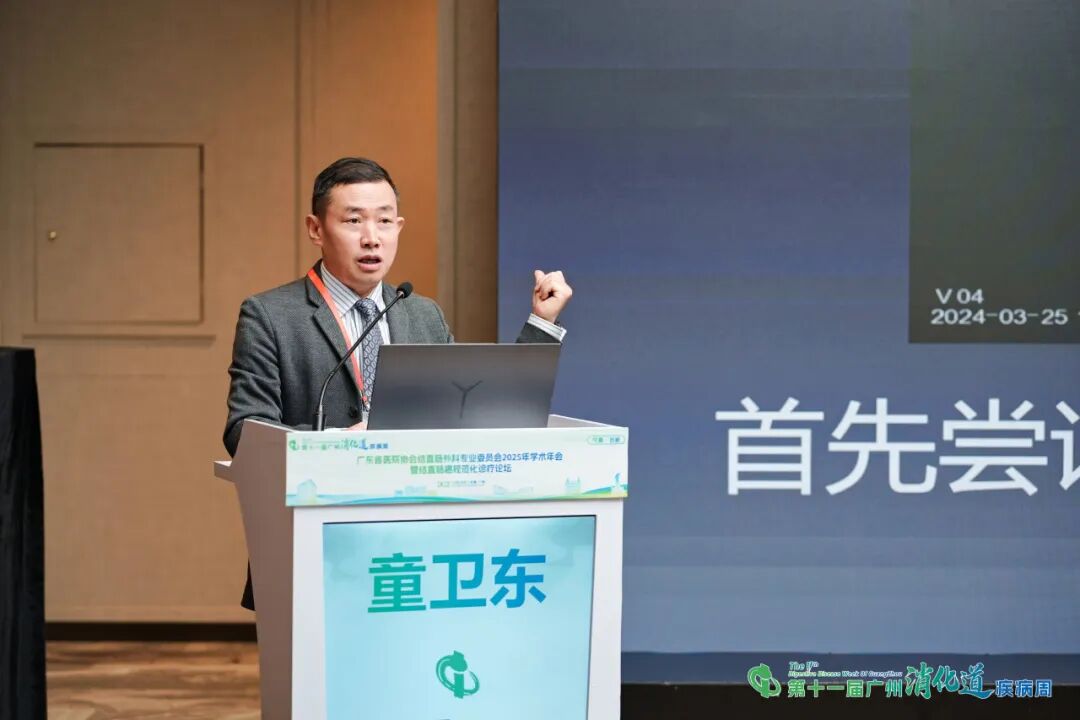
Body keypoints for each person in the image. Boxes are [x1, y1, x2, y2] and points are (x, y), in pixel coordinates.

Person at [223, 156, 573, 608]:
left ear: (399, 227)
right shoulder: (270, 316)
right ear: (316, 229)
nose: (372, 237)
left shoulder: (422, 314)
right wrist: (336, 445)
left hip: (418, 549)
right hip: (318, 545)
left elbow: (478, 414)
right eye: (354, 221)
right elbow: (244, 431)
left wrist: (541, 324)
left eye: (385, 221)